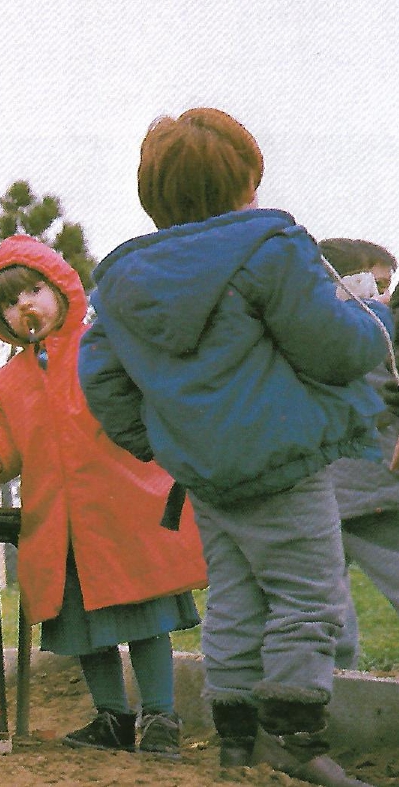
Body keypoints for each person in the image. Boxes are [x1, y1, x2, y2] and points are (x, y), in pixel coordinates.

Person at [78, 107, 389, 787]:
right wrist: (375, 325)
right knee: (308, 596)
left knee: (236, 599)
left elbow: (97, 375)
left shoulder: (121, 283)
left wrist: (160, 440)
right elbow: (335, 350)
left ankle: (234, 744)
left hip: (205, 476)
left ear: (154, 196)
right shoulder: (269, 248)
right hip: (283, 461)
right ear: (246, 182)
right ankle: (296, 739)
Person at [0, 235, 207, 760]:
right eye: (9, 301)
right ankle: (113, 717)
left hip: (125, 511)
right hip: (62, 526)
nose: (24, 305)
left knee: (147, 618)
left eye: (34, 289)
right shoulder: (6, 383)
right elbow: (1, 435)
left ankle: (160, 714)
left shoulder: (105, 347)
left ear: (62, 288)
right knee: (84, 626)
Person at [316, 238, 399, 670]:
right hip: (374, 486)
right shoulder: (370, 332)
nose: (384, 296)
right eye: (375, 284)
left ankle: (336, 683)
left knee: (325, 602)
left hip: (339, 488)